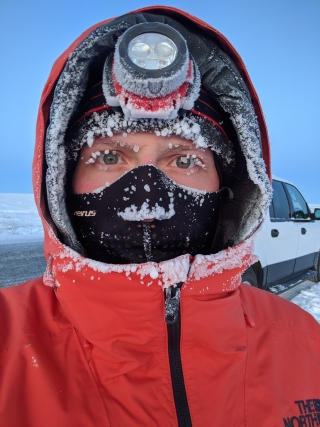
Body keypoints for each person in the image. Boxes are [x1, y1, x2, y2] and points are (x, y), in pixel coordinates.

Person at [0, 6, 319, 427]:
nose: (148, 202)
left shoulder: (305, 342)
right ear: (61, 181)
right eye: (109, 156)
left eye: (184, 160)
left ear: (229, 189)